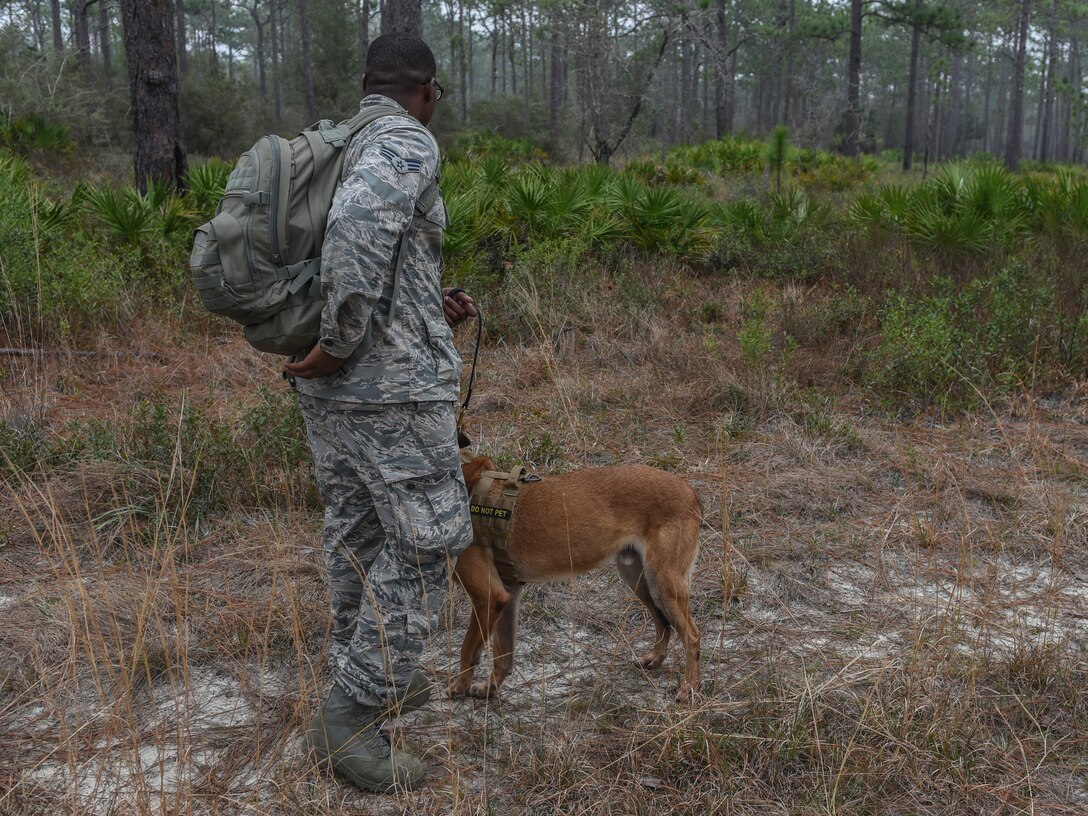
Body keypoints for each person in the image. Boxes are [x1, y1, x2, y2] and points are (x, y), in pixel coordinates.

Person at [282, 32, 477, 793]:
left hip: (335, 393)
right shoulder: (405, 139)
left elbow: (363, 249)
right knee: (431, 543)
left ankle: (363, 673)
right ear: (426, 88)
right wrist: (339, 342)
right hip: (386, 390)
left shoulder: (342, 141)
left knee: (358, 529)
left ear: (367, 84)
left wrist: (427, 303)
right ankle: (353, 714)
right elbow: (358, 234)